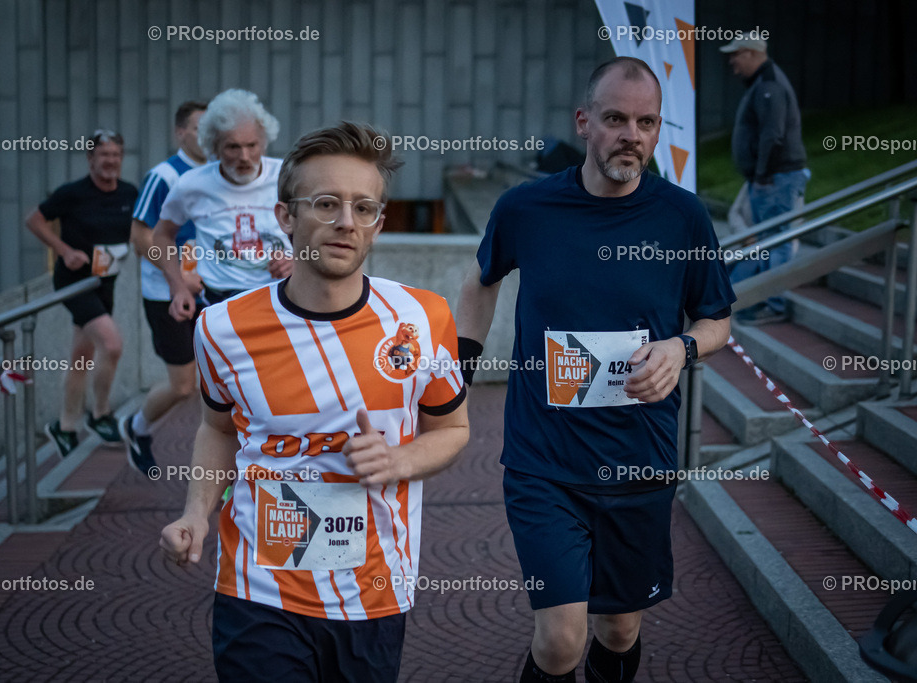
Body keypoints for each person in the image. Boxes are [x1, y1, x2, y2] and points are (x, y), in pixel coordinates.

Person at [456, 57, 736, 683]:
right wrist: (461, 373)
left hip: (640, 459)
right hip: (543, 463)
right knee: (560, 640)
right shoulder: (527, 208)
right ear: (585, 122)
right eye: (615, 118)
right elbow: (480, 280)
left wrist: (681, 349)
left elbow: (717, 320)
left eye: (645, 122)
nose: (630, 134)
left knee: (619, 628)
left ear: (659, 131)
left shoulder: (683, 218)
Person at [159, 121, 470, 682]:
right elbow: (218, 429)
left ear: (377, 223)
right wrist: (195, 512)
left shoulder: (423, 320)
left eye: (365, 208)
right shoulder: (221, 327)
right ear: (285, 217)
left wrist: (398, 460)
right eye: (326, 203)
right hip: (256, 586)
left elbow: (452, 429)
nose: (346, 222)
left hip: (373, 590)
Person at [26, 130, 138, 456]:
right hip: (75, 282)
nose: (110, 161)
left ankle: (64, 426)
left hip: (106, 282)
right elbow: (34, 220)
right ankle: (100, 414)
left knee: (81, 357)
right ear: (90, 159)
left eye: (116, 155)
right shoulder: (72, 193)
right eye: (104, 155)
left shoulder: (130, 192)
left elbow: (144, 228)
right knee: (112, 344)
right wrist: (64, 250)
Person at [151, 89, 293, 319]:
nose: (244, 156)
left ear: (264, 143)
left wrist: (299, 260)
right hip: (221, 303)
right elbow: (161, 236)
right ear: (214, 147)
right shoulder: (192, 184)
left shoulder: (287, 176)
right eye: (233, 147)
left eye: (252, 145)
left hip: (281, 297)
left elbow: (320, 226)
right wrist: (177, 286)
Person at [122, 101, 209, 475]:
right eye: (198, 128)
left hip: (211, 293)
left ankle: (226, 468)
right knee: (183, 386)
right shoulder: (165, 176)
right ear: (180, 133)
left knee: (225, 381)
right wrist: (178, 280)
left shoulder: (221, 175)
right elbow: (140, 237)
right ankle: (135, 427)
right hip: (167, 294)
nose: (206, 136)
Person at [721, 30, 810, 325]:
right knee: (769, 240)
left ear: (751, 53)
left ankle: (774, 304)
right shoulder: (764, 82)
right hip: (774, 177)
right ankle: (764, 300)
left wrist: (761, 175)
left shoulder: (769, 84)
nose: (732, 61)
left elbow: (773, 133)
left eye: (736, 54)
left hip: (775, 179)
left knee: (777, 240)